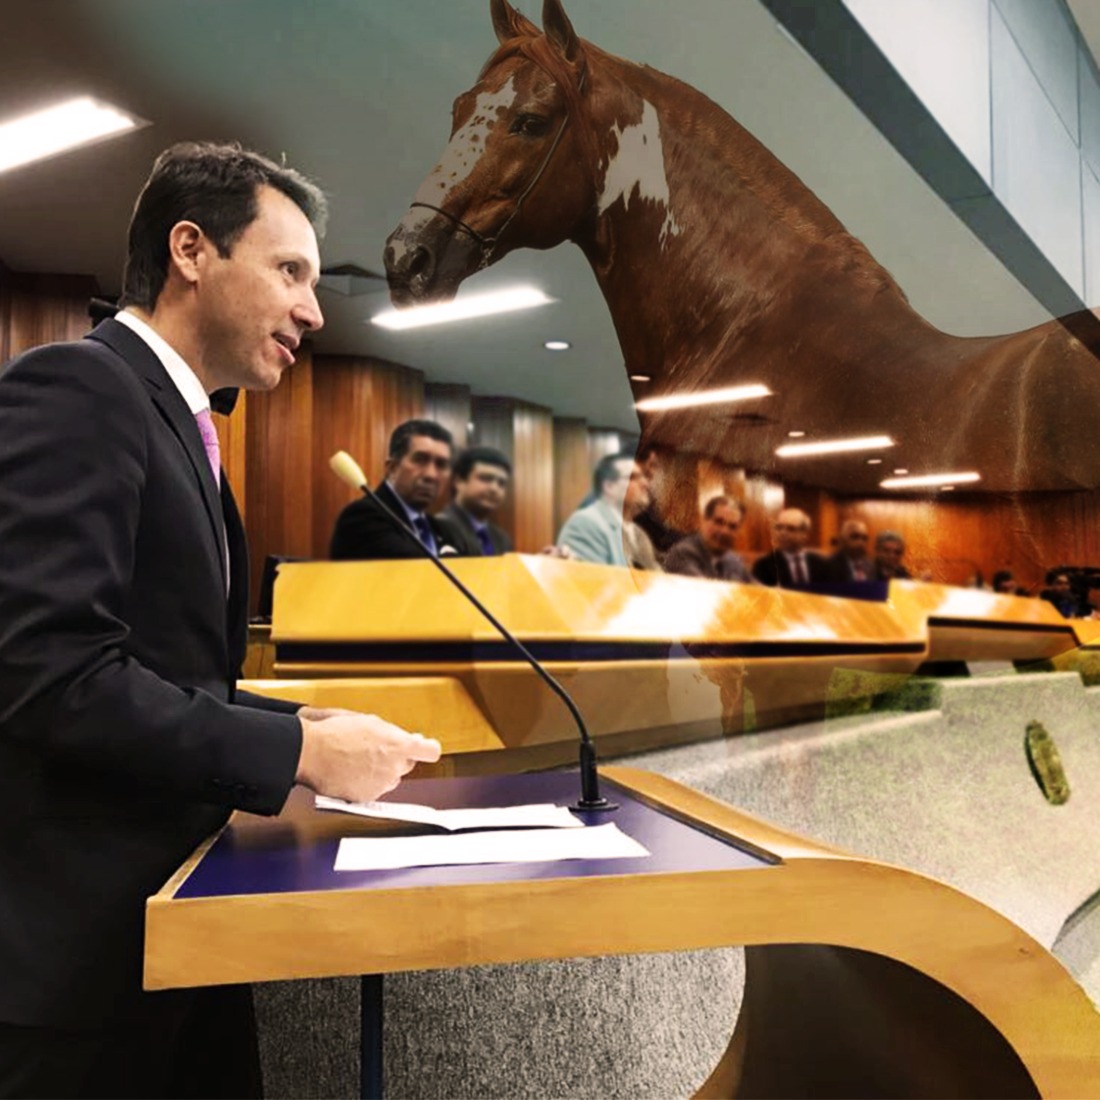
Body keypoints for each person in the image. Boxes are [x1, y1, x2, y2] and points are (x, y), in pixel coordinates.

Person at [0, 142, 441, 1099]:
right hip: (79, 968)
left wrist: (296, 723)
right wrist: (297, 756)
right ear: (191, 250)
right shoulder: (79, 387)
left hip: (175, 931)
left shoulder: (179, 418)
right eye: (290, 271)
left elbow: (166, 670)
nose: (313, 310)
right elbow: (53, 677)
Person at [329, 419, 455, 559]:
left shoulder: (438, 527)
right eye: (420, 460)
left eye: (441, 464)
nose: (431, 475)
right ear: (392, 468)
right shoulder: (362, 517)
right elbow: (414, 567)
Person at [557, 452, 660, 569]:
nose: (646, 484)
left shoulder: (638, 533)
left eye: (644, 477)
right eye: (633, 477)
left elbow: (656, 577)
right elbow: (587, 579)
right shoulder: (585, 524)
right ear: (609, 486)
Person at [435, 446, 513, 556]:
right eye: (486, 478)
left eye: (501, 483)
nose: (494, 488)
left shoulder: (501, 539)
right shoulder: (439, 529)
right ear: (458, 481)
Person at [663, 496, 752, 582]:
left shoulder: (733, 559)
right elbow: (704, 589)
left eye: (732, 527)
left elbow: (756, 588)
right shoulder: (683, 554)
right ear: (703, 521)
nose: (724, 531)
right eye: (718, 522)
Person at [751, 508, 830, 587]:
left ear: (804, 534)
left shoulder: (820, 564)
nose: (782, 533)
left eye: (790, 529)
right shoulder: (764, 565)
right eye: (779, 528)